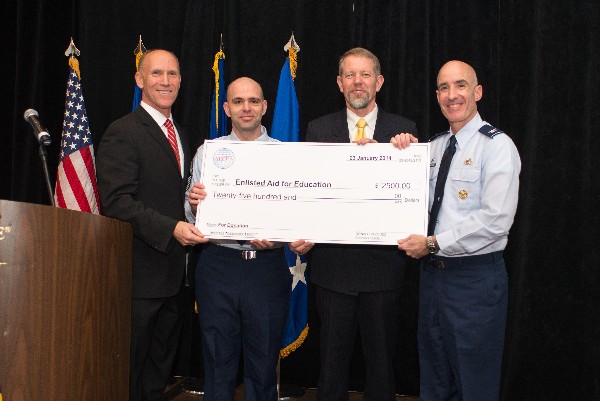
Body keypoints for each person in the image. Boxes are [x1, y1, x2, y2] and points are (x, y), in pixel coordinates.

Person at [393, 60, 521, 401]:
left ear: (477, 92)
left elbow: (496, 221)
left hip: (475, 281)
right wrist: (386, 156)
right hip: (432, 279)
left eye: (461, 85)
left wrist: (434, 244)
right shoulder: (431, 148)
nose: (453, 95)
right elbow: (399, 196)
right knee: (434, 380)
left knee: (474, 384)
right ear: (437, 96)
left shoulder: (497, 147)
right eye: (444, 88)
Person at [185, 77, 313, 401]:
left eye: (253, 101)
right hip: (218, 265)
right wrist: (193, 205)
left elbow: (297, 213)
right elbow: (190, 218)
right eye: (238, 101)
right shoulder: (208, 153)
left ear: (265, 107)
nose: (246, 108)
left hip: (266, 270)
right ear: (227, 108)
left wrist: (288, 236)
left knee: (262, 367)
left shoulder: (286, 156)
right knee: (217, 364)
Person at [304, 47, 418, 401]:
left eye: (365, 74)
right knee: (332, 367)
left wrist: (404, 155)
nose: (358, 82)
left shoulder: (404, 132)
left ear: (379, 82)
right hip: (333, 270)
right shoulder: (318, 129)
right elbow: (310, 193)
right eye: (350, 75)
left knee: (382, 367)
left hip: (383, 272)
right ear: (339, 84)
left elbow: (414, 198)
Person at [96, 49, 207, 401]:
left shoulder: (181, 134)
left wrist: (192, 205)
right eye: (156, 73)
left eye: (172, 74)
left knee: (157, 374)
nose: (166, 81)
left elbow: (172, 192)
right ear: (139, 79)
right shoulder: (123, 132)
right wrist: (172, 227)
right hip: (140, 277)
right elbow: (117, 203)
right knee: (131, 373)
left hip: (175, 276)